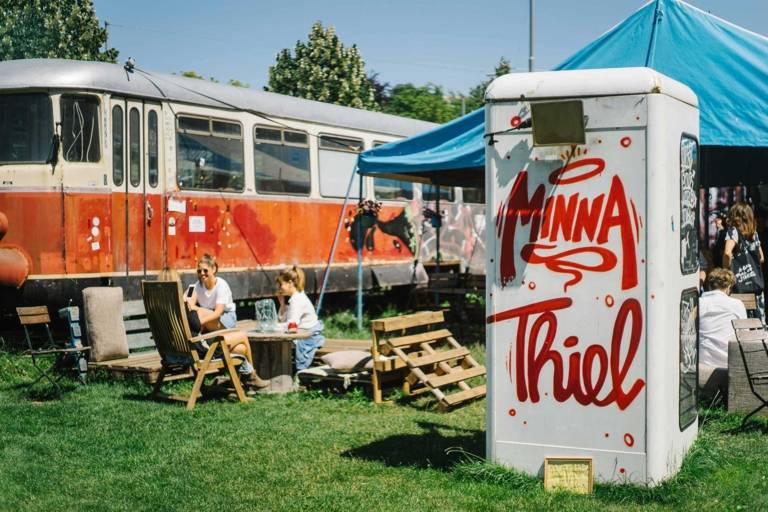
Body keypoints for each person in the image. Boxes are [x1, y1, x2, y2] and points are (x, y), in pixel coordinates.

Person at [184, 254, 267, 389]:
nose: (202, 274)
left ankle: (248, 376)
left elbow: (217, 313)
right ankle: (248, 377)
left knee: (201, 311)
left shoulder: (221, 285)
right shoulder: (195, 286)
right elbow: (185, 299)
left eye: (205, 270)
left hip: (225, 318)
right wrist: (190, 301)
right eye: (199, 271)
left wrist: (199, 318)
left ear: (214, 269)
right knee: (240, 347)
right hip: (210, 322)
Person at [698, 268, 747, 404]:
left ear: (710, 285)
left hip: (702, 364)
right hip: (729, 365)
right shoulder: (736, 304)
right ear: (728, 287)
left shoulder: (700, 303)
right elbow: (744, 335)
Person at [275, 266, 325, 370]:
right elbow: (286, 320)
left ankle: (291, 371)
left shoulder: (297, 300)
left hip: (308, 335)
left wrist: (273, 327)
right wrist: (282, 304)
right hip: (304, 331)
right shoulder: (296, 297)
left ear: (290, 283)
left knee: (276, 344)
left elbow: (291, 326)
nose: (279, 288)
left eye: (281, 284)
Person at [723, 202, 765, 321]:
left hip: (739, 287)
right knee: (757, 323)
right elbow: (761, 258)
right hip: (755, 287)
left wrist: (726, 271)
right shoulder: (754, 233)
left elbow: (727, 253)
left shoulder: (734, 231)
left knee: (740, 320)